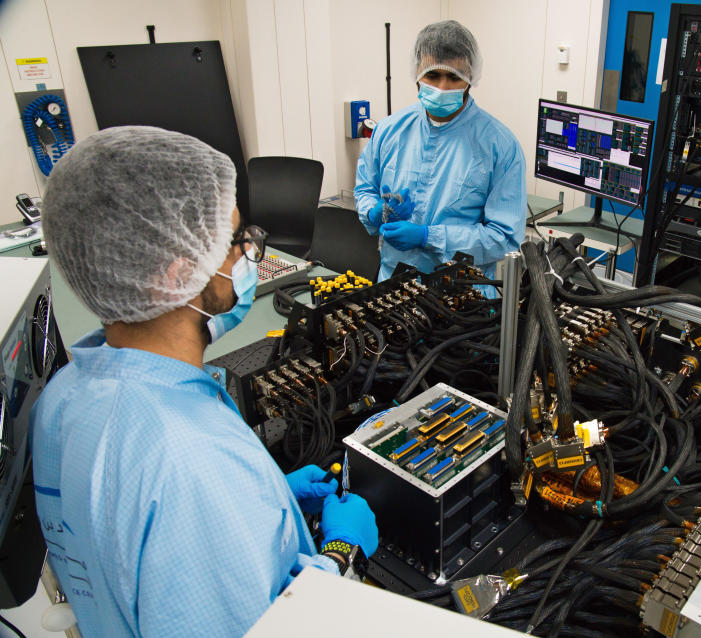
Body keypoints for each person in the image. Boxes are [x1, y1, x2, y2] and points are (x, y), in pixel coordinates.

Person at [31, 126, 377, 637]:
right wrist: (341, 557)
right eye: (235, 243)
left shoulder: (61, 395)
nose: (247, 256)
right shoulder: (193, 461)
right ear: (175, 276)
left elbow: (132, 542)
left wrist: (266, 503)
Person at [355, 20, 527, 290]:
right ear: (417, 72)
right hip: (393, 289)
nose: (443, 87)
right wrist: (373, 213)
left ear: (470, 77)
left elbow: (503, 238)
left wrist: (428, 236)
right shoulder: (390, 131)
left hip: (463, 298)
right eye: (433, 76)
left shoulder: (499, 145)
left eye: (454, 77)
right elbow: (365, 189)